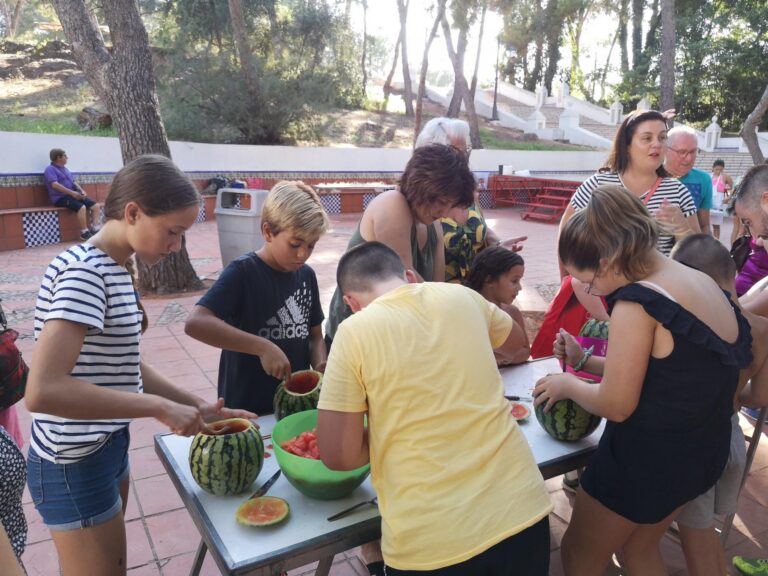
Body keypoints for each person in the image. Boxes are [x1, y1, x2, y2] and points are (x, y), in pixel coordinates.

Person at [25, 154, 255, 576]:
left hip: (106, 445)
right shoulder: (86, 274)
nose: (177, 246)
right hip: (72, 462)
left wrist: (198, 405)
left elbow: (126, 364)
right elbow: (43, 391)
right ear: (133, 212)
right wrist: (158, 408)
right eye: (173, 231)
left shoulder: (112, 267)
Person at [533, 185, 751, 574]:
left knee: (579, 553)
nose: (589, 291)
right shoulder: (697, 279)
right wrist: (585, 360)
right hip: (700, 454)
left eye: (587, 280)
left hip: (647, 463)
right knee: (638, 548)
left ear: (610, 259)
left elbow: (616, 404)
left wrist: (567, 385)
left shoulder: (637, 302)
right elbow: (673, 371)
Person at [317, 241, 551, 575]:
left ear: (351, 302)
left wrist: (392, 431)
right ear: (411, 276)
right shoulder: (463, 297)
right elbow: (515, 342)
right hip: (523, 511)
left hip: (431, 542)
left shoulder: (354, 332)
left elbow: (338, 455)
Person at [670, 233, 768, 576]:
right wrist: (729, 400)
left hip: (698, 445)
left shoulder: (700, 328)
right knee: (705, 532)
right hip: (730, 440)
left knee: (694, 545)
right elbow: (759, 397)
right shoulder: (762, 328)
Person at [185, 181, 329, 414]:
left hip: (296, 406)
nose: (303, 254)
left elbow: (314, 335)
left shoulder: (306, 276)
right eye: (295, 244)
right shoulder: (242, 272)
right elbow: (196, 323)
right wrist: (262, 347)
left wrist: (320, 362)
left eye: (311, 246)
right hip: (247, 405)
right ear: (268, 232)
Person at [324, 144, 476, 347]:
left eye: (450, 204)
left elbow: (436, 289)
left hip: (395, 338)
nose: (445, 212)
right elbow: (405, 283)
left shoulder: (434, 226)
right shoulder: (392, 204)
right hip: (355, 341)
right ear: (422, 186)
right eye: (442, 201)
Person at [559, 109, 699, 261]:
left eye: (662, 137)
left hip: (658, 283)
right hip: (603, 283)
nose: (657, 144)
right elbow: (565, 240)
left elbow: (698, 254)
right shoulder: (597, 185)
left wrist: (682, 229)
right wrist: (568, 282)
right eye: (647, 138)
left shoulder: (678, 192)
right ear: (626, 145)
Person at [415, 118, 526, 283]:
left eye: (466, 150)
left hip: (475, 294)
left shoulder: (469, 191)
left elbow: (480, 227)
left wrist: (497, 244)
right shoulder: (418, 200)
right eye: (456, 151)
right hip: (436, 297)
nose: (463, 158)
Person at [464, 246, 530, 365]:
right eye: (514, 281)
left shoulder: (513, 312)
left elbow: (525, 352)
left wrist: (500, 358)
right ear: (489, 280)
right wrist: (506, 356)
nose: (520, 288)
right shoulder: (469, 313)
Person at [664, 126, 714, 235]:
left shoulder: (704, 179)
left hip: (689, 246)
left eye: (693, 152)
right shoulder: (650, 175)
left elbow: (704, 225)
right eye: (682, 152)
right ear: (665, 149)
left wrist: (708, 247)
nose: (689, 159)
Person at [44, 148, 101, 240]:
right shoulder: (50, 169)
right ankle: (84, 232)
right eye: (65, 156)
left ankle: (95, 229)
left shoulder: (65, 169)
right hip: (60, 198)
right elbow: (54, 185)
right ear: (59, 157)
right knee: (81, 207)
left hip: (72, 195)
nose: (67, 158)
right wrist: (72, 193)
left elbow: (73, 182)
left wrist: (81, 191)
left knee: (96, 206)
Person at [710, 159, 734, 239]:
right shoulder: (708, 176)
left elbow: (731, 188)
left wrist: (728, 197)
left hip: (718, 203)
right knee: (705, 224)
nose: (718, 171)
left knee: (716, 226)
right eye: (716, 169)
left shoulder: (726, 177)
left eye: (720, 169)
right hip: (708, 201)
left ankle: (716, 243)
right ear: (713, 168)